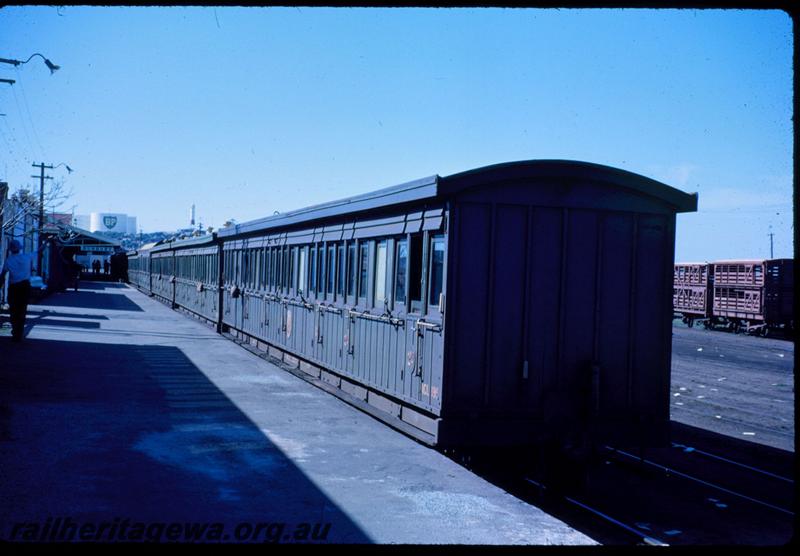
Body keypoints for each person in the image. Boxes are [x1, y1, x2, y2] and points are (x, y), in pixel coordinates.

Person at [0, 239, 35, 342]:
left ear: (10, 250)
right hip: (25, 287)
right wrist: (46, 242)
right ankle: (19, 332)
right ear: (20, 249)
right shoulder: (27, 257)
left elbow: (2, 276)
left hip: (14, 288)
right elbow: (40, 251)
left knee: (14, 310)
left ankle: (15, 331)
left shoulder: (8, 260)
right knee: (22, 309)